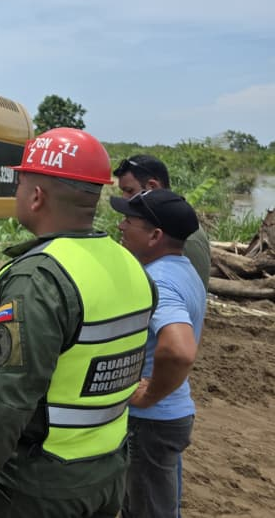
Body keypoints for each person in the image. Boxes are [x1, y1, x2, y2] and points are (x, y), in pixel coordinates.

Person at [0, 128, 156, 518]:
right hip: (107, 473)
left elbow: (6, 402)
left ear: (36, 196)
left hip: (41, 485)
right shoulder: (131, 266)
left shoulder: (37, 280)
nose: (16, 191)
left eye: (20, 183)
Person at [110, 189, 206, 518]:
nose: (121, 226)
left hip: (151, 421)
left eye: (129, 220)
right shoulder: (183, 269)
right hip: (165, 415)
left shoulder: (159, 282)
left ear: (155, 236)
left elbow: (179, 350)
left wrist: (150, 394)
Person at [113, 155, 211, 291]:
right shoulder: (158, 227)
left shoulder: (184, 235)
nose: (124, 198)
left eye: (129, 191)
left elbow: (179, 291)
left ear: (152, 186)